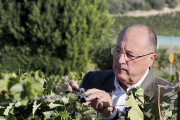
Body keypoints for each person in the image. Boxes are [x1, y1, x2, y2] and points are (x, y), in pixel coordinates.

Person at [59, 24, 176, 119]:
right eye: (117, 50)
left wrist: (112, 114)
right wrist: (66, 105)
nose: (120, 60)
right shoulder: (92, 79)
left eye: (130, 55)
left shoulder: (169, 95)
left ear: (151, 59)